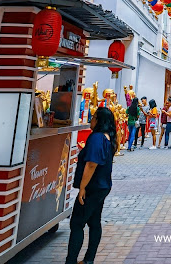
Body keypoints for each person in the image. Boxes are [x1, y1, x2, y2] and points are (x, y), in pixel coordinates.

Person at [65, 107, 116, 264]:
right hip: (102, 186)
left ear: (99, 121)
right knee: (94, 222)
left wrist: (82, 188)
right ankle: (88, 260)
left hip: (92, 188)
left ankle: (71, 261)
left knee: (77, 223)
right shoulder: (108, 137)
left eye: (93, 117)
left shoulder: (96, 138)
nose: (91, 119)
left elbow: (91, 164)